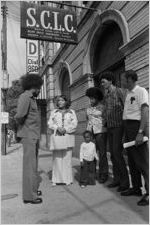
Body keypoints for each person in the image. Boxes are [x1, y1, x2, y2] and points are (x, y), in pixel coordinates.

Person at [121, 70, 149, 206]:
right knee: (132, 162)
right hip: (128, 128)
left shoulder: (141, 91)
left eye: (123, 79)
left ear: (130, 79)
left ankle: (149, 194)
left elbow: (145, 112)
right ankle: (136, 188)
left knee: (143, 163)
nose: (121, 81)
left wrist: (140, 132)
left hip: (136, 127)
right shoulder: (128, 93)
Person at [15, 74, 43, 204]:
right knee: (29, 167)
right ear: (35, 86)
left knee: (34, 166)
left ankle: (32, 189)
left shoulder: (32, 98)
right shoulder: (25, 97)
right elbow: (20, 115)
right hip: (28, 135)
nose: (39, 90)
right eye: (39, 87)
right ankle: (29, 196)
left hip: (34, 136)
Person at [100, 71, 129, 192]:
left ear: (110, 81)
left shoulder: (120, 91)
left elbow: (127, 108)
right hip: (110, 127)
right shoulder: (106, 95)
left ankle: (125, 182)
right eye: (101, 82)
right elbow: (106, 111)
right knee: (112, 154)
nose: (102, 84)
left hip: (119, 127)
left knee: (117, 153)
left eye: (103, 81)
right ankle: (117, 180)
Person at [48, 95, 78, 186]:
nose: (60, 102)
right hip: (57, 137)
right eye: (59, 100)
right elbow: (50, 123)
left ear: (66, 102)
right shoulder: (54, 112)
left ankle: (67, 180)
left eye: (62, 100)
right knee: (57, 159)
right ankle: (56, 180)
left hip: (68, 137)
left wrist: (65, 129)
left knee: (67, 159)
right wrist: (57, 128)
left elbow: (75, 124)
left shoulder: (72, 112)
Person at [85, 87, 108, 183]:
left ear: (97, 98)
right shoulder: (88, 108)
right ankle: (92, 174)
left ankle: (103, 174)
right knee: (91, 153)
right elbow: (87, 119)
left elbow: (106, 119)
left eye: (93, 98)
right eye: (90, 98)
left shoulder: (103, 107)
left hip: (101, 132)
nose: (91, 100)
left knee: (102, 154)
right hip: (91, 133)